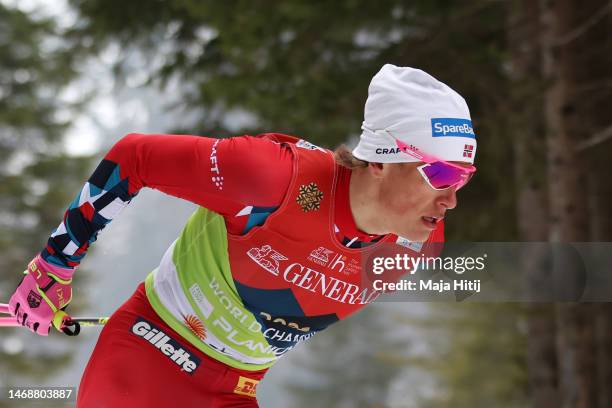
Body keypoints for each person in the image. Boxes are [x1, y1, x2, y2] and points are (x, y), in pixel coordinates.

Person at [7, 64, 477, 407]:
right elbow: (134, 157)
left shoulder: (418, 243)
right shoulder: (272, 179)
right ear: (378, 159)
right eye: (439, 172)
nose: (451, 198)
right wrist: (53, 267)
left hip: (234, 387)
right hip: (147, 358)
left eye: (464, 177)